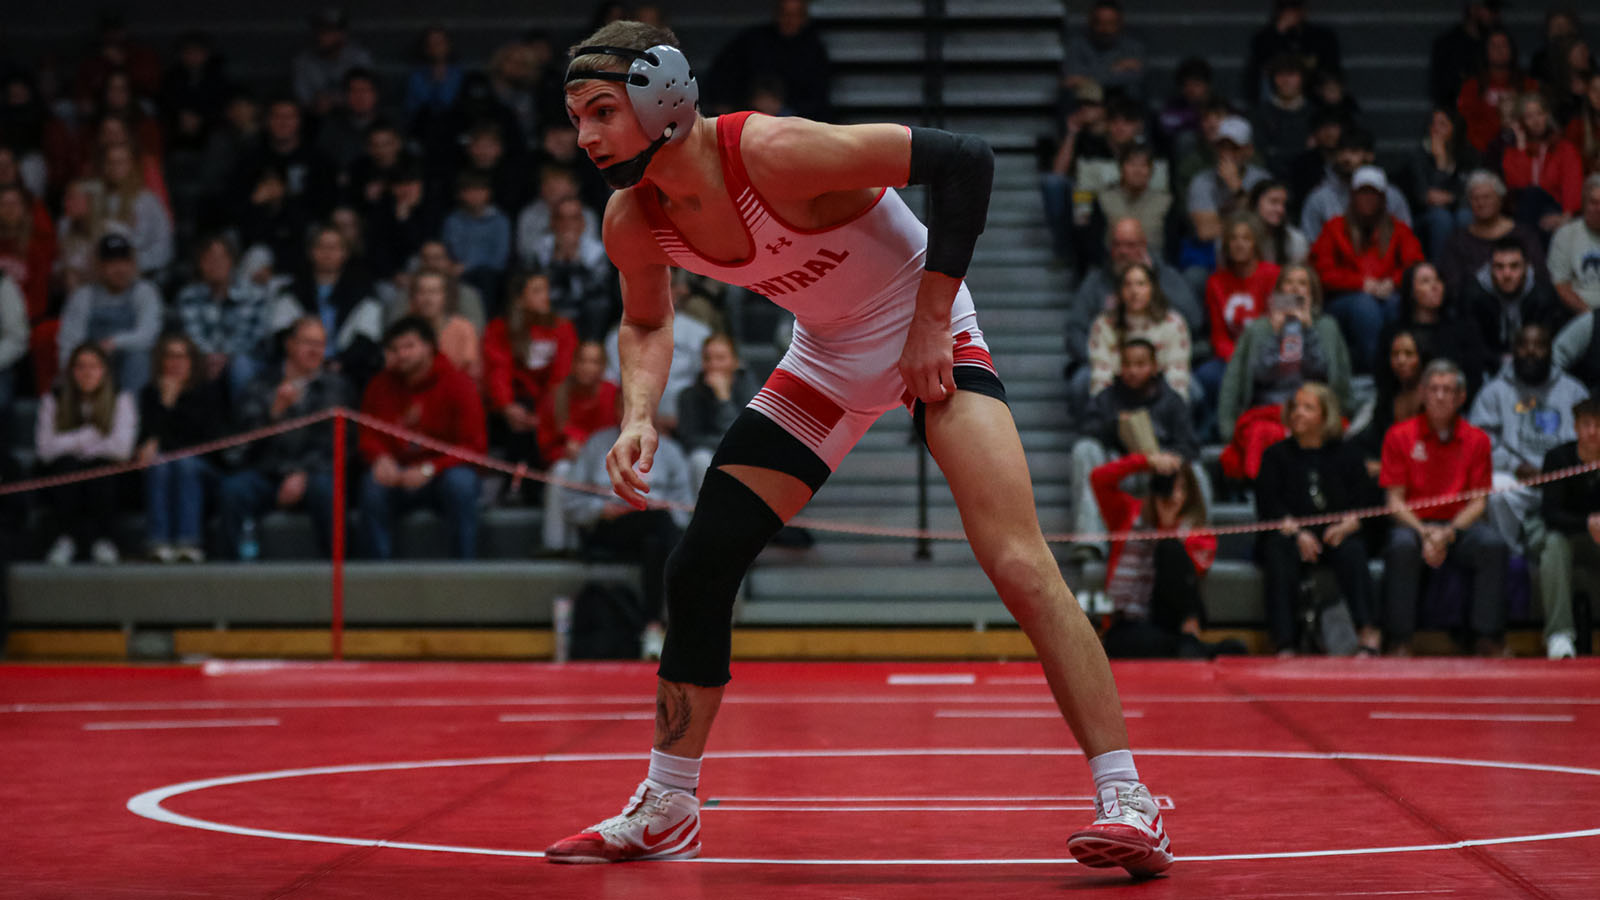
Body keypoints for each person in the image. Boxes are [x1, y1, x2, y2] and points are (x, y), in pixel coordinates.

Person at [547, 22, 1173, 875]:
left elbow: (968, 161)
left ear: (664, 99)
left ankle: (1129, 797)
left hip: (932, 331)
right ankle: (669, 804)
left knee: (1020, 564)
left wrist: (925, 324)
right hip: (827, 361)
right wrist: (638, 415)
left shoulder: (774, 152)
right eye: (577, 115)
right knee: (700, 564)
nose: (584, 137)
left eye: (601, 112)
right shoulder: (634, 217)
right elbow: (648, 319)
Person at [1380, 359, 1508, 656]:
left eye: (1447, 390)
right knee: (1400, 547)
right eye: (1434, 389)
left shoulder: (1477, 440)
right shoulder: (1399, 436)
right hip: (1413, 523)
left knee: (1493, 545)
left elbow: (1479, 502)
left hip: (1460, 524)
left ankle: (1486, 637)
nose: (1440, 396)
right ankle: (1399, 640)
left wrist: (1448, 533)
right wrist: (1425, 532)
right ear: (1423, 394)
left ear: (1461, 397)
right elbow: (1394, 501)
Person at [1255, 383, 1380, 655]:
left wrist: (1350, 524)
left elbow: (1366, 501)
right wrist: (1296, 532)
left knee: (1353, 550)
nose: (1298, 413)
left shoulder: (1348, 454)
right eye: (1296, 406)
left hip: (1336, 534)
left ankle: (1367, 632)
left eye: (1307, 407)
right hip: (1292, 534)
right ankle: (1284, 641)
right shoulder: (1275, 456)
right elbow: (1268, 503)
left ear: (1325, 415)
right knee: (1277, 551)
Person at [562, 397, 694, 656]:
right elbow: (572, 501)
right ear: (616, 411)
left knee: (656, 537)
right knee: (660, 524)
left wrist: (662, 513)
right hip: (609, 526)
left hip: (655, 530)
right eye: (626, 407)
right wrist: (601, 510)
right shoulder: (596, 445)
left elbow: (685, 506)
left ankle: (652, 627)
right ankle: (680, 624)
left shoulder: (669, 450)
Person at [356, 316, 486, 560]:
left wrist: (430, 469)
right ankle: (376, 576)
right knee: (372, 487)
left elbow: (474, 446)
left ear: (429, 347)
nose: (402, 355)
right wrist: (380, 458)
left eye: (409, 346)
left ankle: (464, 570)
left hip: (442, 473)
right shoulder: (379, 385)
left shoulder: (458, 383)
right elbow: (368, 435)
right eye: (395, 349)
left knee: (461, 483)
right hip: (398, 472)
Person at [219, 317, 348, 559]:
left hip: (313, 474)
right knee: (233, 490)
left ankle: (336, 573)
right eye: (307, 342)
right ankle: (231, 573)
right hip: (266, 472)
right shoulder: (261, 384)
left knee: (329, 491)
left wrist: (302, 473)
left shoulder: (335, 387)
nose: (315, 350)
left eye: (320, 344)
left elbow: (338, 444)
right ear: (289, 344)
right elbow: (238, 446)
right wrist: (274, 413)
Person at [1089, 450, 1228, 659]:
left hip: (1168, 619)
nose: (1173, 495)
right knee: (1135, 642)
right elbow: (1098, 480)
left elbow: (1185, 580)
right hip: (1128, 624)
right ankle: (1193, 649)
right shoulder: (1129, 514)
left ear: (1190, 495)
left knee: (1169, 549)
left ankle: (1188, 647)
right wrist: (1145, 462)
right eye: (1169, 487)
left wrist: (1168, 525)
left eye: (1181, 488)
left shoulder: (1199, 533)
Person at [1070, 337, 1197, 562]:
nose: (1132, 371)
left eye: (1140, 364)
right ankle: (1090, 542)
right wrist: (1115, 424)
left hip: (1160, 474)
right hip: (1120, 470)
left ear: (1154, 366)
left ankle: (1193, 540)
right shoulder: (1107, 397)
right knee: (1084, 449)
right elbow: (1087, 429)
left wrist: (1170, 457)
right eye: (1127, 364)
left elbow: (1190, 445)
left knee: (1198, 473)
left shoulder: (1172, 400)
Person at [1468, 322, 1588, 553]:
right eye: (1524, 345)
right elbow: (1479, 443)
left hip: (1562, 480)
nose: (1531, 351)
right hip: (1517, 479)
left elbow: (1586, 440)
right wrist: (1515, 465)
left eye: (1539, 345)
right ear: (1513, 351)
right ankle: (1511, 557)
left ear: (1551, 351)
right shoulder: (1495, 391)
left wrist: (1556, 469)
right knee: (1495, 488)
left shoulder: (1573, 391)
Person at [1218, 273, 1348, 481]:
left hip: (1313, 406)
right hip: (1270, 408)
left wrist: (1309, 330)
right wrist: (1275, 333)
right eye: (1289, 283)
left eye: (1302, 283)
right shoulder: (1259, 328)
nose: (1295, 289)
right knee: (1259, 433)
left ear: (1312, 292)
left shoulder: (1325, 326)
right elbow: (1253, 375)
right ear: (1278, 292)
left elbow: (1324, 374)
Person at [1311, 166, 1426, 372]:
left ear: (1383, 198)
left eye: (1373, 193)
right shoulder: (1335, 228)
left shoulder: (1398, 229)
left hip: (1388, 294)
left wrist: (1393, 282)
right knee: (1364, 305)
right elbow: (1322, 272)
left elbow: (1414, 265)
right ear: (1352, 196)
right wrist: (1363, 284)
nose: (1367, 199)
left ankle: (1399, 368)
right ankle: (1377, 372)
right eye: (1362, 193)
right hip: (1343, 302)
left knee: (1395, 304)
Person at [36, 343, 138, 565]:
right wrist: (88, 436)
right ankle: (64, 539)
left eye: (94, 366)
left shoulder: (121, 398)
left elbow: (122, 449)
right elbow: (45, 450)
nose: (87, 373)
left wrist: (71, 443)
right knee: (67, 465)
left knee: (99, 467)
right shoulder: (53, 399)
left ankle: (104, 540)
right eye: (80, 367)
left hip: (107, 474)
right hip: (65, 470)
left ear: (104, 370)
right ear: (71, 371)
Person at [1069, 217, 1202, 378]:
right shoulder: (1095, 282)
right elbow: (1075, 331)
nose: (1123, 251)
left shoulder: (1167, 276)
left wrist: (1153, 280)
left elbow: (1194, 321)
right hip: (1108, 361)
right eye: (1117, 245)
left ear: (1143, 246)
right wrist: (1103, 361)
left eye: (1130, 245)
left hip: (1161, 363)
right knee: (1082, 381)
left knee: (1193, 390)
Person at [135, 333, 223, 563]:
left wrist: (172, 411)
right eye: (170, 356)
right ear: (161, 361)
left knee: (183, 461)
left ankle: (188, 542)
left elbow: (208, 443)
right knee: (161, 464)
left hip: (204, 470)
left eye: (183, 357)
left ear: (193, 362)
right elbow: (145, 443)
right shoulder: (151, 395)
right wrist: (166, 404)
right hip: (164, 468)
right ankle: (158, 542)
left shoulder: (207, 393)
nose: (176, 363)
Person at [483, 272, 578, 477]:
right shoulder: (500, 329)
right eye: (537, 291)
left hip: (550, 401)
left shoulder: (563, 328)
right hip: (515, 403)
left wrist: (542, 414)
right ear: (519, 299)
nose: (546, 297)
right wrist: (507, 406)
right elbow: (499, 370)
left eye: (546, 290)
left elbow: (561, 375)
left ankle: (529, 481)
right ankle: (514, 481)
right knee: (517, 419)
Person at [268, 225, 384, 390]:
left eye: (334, 247)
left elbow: (366, 340)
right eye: (322, 246)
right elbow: (282, 336)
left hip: (348, 372)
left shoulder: (364, 292)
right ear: (311, 251)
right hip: (298, 369)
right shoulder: (291, 292)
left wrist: (340, 363)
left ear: (345, 253)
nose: (327, 253)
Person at [56, 232, 163, 393]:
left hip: (129, 366)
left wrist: (114, 343)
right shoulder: (84, 295)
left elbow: (148, 335)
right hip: (92, 364)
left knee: (138, 357)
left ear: (132, 264)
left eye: (124, 261)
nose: (119, 269)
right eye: (111, 263)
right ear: (99, 266)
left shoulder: (144, 291)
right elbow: (69, 341)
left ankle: (132, 412)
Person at [1537, 396, 1600, 659]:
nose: (1593, 432)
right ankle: (1559, 635)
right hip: (1570, 538)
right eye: (1586, 424)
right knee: (1552, 543)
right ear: (1575, 427)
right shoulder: (1558, 458)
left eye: (1599, 425)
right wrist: (1588, 523)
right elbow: (1550, 514)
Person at [174, 235, 273, 400]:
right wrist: (211, 356)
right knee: (184, 363)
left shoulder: (254, 294)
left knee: (241, 365)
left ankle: (245, 420)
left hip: (244, 359)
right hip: (202, 358)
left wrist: (225, 356)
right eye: (209, 259)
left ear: (231, 261)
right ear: (200, 264)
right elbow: (190, 335)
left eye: (221, 257)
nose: (216, 264)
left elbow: (254, 337)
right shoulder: (188, 296)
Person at [1197, 215, 1280, 405]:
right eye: (1233, 239)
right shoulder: (1215, 282)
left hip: (1269, 355)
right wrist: (1238, 359)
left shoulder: (1275, 274)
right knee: (1206, 375)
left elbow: (1289, 322)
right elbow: (1218, 335)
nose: (1239, 244)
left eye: (1246, 238)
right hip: (1231, 358)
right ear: (1226, 245)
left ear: (1255, 243)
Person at [1377, 261, 1491, 399]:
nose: (1435, 286)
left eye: (1438, 280)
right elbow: (1384, 381)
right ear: (1411, 291)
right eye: (1425, 281)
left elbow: (1473, 379)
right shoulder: (1393, 332)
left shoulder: (1463, 330)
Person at [706, 0, 831, 121]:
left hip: (794, 119)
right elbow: (724, 74)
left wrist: (781, 107)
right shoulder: (753, 41)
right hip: (748, 115)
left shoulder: (813, 50)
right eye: (785, 14)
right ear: (776, 14)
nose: (789, 20)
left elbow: (817, 95)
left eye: (795, 15)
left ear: (804, 18)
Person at [1086, 263, 1192, 401]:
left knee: (1193, 390)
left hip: (1160, 394)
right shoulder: (1103, 324)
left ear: (1153, 288)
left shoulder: (1174, 323)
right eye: (1127, 285)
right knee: (1083, 382)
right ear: (1119, 291)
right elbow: (1100, 376)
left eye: (1141, 284)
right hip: (1117, 394)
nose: (1134, 291)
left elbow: (1177, 375)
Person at [1437, 170, 1547, 299]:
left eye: (1487, 197)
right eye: (1475, 198)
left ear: (1500, 199)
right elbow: (1452, 284)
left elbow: (1540, 276)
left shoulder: (1524, 235)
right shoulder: (1458, 240)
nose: (1481, 203)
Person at [1464, 237, 1566, 366]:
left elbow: (1549, 341)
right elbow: (1472, 345)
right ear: (1490, 268)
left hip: (1536, 365)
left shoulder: (1543, 294)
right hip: (1486, 366)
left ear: (1527, 267)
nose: (1507, 274)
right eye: (1499, 267)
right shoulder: (1474, 295)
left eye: (1514, 266)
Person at [1300, 128, 1414, 244]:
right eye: (1341, 151)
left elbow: (1405, 240)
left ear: (1370, 155)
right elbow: (1311, 245)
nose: (1346, 158)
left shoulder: (1392, 196)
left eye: (1354, 151)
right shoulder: (1319, 198)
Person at [676, 333, 758, 489]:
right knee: (699, 460)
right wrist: (727, 444)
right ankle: (705, 513)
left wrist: (724, 400)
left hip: (746, 457)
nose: (713, 364)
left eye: (720, 358)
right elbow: (691, 440)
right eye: (708, 358)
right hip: (709, 456)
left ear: (735, 362)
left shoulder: (750, 391)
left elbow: (747, 438)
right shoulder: (689, 395)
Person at [1400, 109, 1479, 262]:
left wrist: (1453, 198)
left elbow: (1471, 194)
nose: (1436, 129)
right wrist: (1441, 164)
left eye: (1442, 124)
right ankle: (1441, 271)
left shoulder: (1468, 155)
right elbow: (1425, 197)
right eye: (1433, 124)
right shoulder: (1418, 157)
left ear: (1454, 128)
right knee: (1441, 218)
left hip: (1461, 211)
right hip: (1425, 216)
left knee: (1465, 216)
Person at [1500, 92, 1584, 234]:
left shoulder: (1563, 148)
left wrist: (1567, 216)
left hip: (1557, 209)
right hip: (1524, 211)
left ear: (1547, 116)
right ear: (1521, 121)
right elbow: (1518, 185)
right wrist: (1521, 147)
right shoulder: (1513, 152)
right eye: (1529, 116)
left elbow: (1573, 183)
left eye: (1540, 114)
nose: (1536, 120)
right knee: (1530, 196)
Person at [1185, 116, 1270, 247]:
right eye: (1222, 147)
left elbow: (1265, 227)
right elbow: (1206, 232)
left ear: (1249, 150)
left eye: (1234, 148)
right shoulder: (1201, 182)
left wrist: (1237, 190)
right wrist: (1247, 222)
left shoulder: (1261, 179)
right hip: (1211, 253)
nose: (1226, 154)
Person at [91, 143, 172, 277]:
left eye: (120, 162)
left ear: (131, 165)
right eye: (111, 162)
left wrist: (130, 266)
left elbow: (164, 245)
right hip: (100, 272)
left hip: (140, 273)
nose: (115, 168)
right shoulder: (95, 199)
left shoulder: (147, 200)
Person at [1241, 0, 1341, 105]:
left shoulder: (1322, 37)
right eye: (1286, 10)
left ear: (1303, 11)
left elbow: (1331, 67)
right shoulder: (1265, 38)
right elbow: (1260, 65)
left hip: (1313, 90)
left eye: (1294, 9)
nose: (1291, 14)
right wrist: (1278, 33)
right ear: (1278, 12)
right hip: (1275, 91)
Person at [1457, 26, 1538, 153]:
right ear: (1486, 51)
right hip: (1482, 153)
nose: (1499, 50)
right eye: (1494, 46)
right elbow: (1465, 123)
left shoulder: (1528, 85)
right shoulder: (1472, 86)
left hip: (1522, 151)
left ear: (1512, 50)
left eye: (1503, 45)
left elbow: (1537, 121)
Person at [291, 8, 374, 116]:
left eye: (328, 31)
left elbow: (368, 94)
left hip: (351, 115)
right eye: (320, 31)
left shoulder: (358, 57)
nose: (323, 36)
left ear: (342, 34)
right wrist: (316, 103)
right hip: (316, 117)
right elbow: (302, 99)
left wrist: (335, 101)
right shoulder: (303, 61)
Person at [1060, 0, 1147, 104]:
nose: (1105, 29)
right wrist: (1114, 69)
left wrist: (1085, 79)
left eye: (1110, 23)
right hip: (1085, 108)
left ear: (1120, 23)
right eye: (1099, 23)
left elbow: (1134, 78)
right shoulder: (1076, 47)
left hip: (1123, 109)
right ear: (1090, 23)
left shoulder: (1133, 48)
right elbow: (1071, 79)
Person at [404, 269, 480, 382]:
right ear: (413, 297)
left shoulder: (464, 329)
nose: (428, 299)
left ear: (445, 296)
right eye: (422, 292)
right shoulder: (403, 330)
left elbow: (471, 374)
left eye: (434, 292)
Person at [1430, 1, 1503, 110]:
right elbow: (1442, 91)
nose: (1495, 16)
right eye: (1491, 9)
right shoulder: (1449, 45)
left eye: (1496, 11)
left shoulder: (1497, 42)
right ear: (1473, 9)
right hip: (1457, 114)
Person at [1251, 54, 1313, 180]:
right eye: (1280, 75)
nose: (1286, 81)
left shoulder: (1315, 114)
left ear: (1302, 78)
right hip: (1269, 177)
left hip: (1308, 177)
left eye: (1291, 74)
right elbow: (1261, 151)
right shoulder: (1260, 113)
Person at [1548, 175, 1600, 316]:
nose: (1598, 209)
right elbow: (1561, 286)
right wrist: (1591, 319)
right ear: (1583, 204)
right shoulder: (1566, 234)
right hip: (1579, 315)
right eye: (1593, 202)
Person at [1249, 179, 1307, 266]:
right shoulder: (1241, 235)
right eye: (1273, 201)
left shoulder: (1295, 239)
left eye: (1283, 204)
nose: (1280, 210)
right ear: (1255, 203)